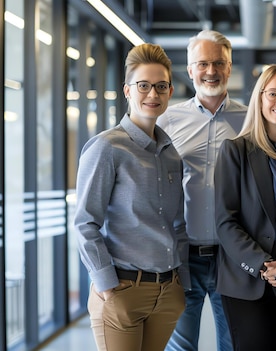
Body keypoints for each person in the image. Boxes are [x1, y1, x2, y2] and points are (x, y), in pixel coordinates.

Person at [74, 43, 188, 351]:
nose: (153, 94)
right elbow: (85, 223)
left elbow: (176, 222)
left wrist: (181, 283)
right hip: (122, 290)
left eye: (161, 86)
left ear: (170, 91)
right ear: (127, 91)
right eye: (144, 86)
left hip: (167, 292)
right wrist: (108, 287)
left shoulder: (171, 154)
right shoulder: (107, 148)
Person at [158, 29, 247, 351]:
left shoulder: (249, 120)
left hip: (230, 256)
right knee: (180, 346)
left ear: (230, 65)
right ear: (190, 68)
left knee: (233, 343)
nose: (211, 71)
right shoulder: (166, 120)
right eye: (203, 63)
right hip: (182, 256)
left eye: (219, 63)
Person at [214, 64, 276, 351]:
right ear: (259, 99)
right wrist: (263, 266)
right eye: (273, 94)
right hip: (245, 281)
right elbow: (225, 221)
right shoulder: (235, 151)